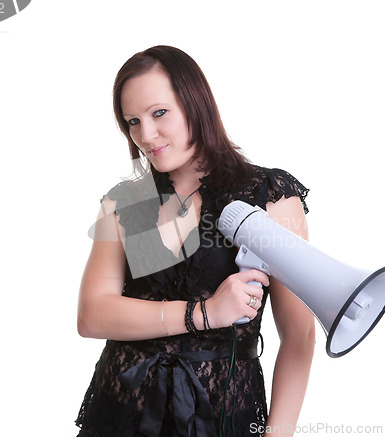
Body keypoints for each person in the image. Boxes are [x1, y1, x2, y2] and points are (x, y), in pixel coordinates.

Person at [75, 45, 315, 437]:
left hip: (224, 419)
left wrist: (278, 434)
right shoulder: (125, 202)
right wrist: (203, 313)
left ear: (196, 103)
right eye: (132, 121)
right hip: (119, 413)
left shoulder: (270, 197)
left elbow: (299, 334)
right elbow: (92, 315)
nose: (145, 135)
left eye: (159, 113)